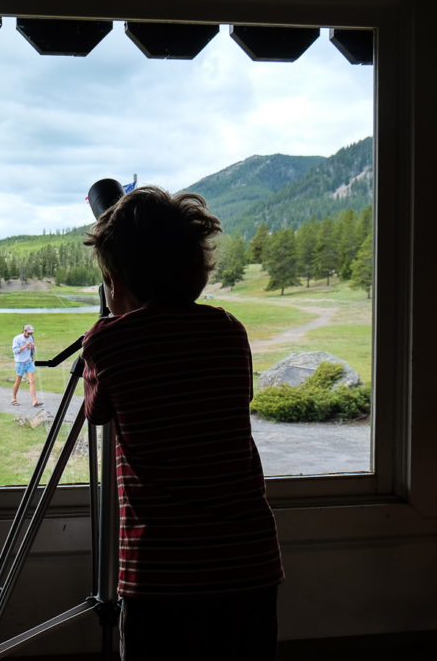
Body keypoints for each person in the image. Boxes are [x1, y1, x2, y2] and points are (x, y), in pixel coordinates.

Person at [81, 185, 284, 660]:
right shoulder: (229, 331)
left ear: (116, 282)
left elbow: (97, 412)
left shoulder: (110, 345)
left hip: (161, 572)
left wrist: (104, 329)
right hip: (248, 561)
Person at [11, 324, 43, 407]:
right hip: (20, 363)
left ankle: (34, 401)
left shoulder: (31, 338)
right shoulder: (17, 339)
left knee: (32, 381)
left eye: (31, 333)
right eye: (29, 333)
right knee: (18, 381)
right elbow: (16, 351)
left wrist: (32, 347)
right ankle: (14, 398)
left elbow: (33, 351)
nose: (30, 335)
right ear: (24, 331)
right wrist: (25, 346)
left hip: (29, 362)